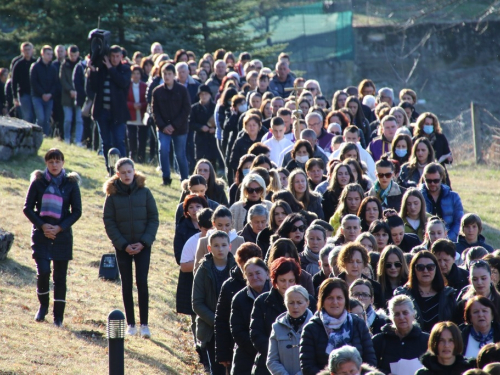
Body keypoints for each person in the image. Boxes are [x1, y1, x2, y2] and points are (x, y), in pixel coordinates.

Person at [23, 148, 82, 326]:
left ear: (63, 162)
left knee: (60, 277)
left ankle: (58, 317)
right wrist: (42, 225)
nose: (54, 165)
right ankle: (43, 307)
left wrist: (59, 227)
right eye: (51, 161)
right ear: (46, 163)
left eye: (57, 161)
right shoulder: (38, 182)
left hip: (62, 237)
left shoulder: (71, 183)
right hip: (41, 234)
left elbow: (77, 211)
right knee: (43, 272)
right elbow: (27, 208)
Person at [103, 157, 159, 337]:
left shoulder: (145, 192)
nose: (127, 175)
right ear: (117, 174)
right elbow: (109, 222)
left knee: (142, 282)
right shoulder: (111, 197)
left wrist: (143, 243)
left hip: (143, 245)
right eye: (123, 172)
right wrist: (123, 245)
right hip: (123, 247)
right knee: (126, 283)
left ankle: (144, 325)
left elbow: (153, 219)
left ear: (134, 172)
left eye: (130, 171)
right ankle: (131, 324)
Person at [300, 278, 376, 374]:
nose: (335, 302)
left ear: (345, 300)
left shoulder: (358, 323)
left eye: (339, 298)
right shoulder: (311, 328)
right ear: (322, 300)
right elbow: (307, 366)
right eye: (330, 298)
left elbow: (370, 360)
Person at [192, 231, 236, 375]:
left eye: (224, 245)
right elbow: (197, 303)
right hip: (212, 330)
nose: (220, 249)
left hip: (234, 328)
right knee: (217, 370)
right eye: (216, 246)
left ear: (229, 247)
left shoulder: (237, 269)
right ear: (209, 248)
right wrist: (217, 321)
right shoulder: (203, 270)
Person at [251, 258, 303, 375]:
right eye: (282, 280)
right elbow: (256, 334)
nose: (287, 285)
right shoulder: (263, 301)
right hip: (267, 365)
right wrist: (277, 352)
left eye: (291, 280)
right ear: (275, 281)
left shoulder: (307, 300)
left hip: (301, 364)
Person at [215, 243, 262, 370]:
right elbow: (221, 319)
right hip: (236, 346)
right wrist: (222, 352)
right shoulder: (229, 286)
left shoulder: (268, 286)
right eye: (244, 267)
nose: (249, 273)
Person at [88, 45, 131, 171]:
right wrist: (93, 71)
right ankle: (112, 168)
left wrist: (111, 68)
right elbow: (94, 88)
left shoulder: (125, 70)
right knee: (106, 142)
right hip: (103, 112)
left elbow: (122, 82)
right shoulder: (102, 70)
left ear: (121, 57)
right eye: (112, 56)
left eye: (117, 56)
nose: (115, 59)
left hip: (118, 114)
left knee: (118, 141)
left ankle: (123, 169)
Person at [394, 250, 456, 333]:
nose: (425, 271)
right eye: (420, 267)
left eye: (430, 267)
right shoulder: (403, 294)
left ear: (436, 269)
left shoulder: (448, 295)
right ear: (414, 270)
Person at [152, 62, 191, 186]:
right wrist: (163, 126)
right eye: (164, 74)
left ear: (174, 75)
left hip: (179, 128)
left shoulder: (182, 90)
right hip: (163, 129)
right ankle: (166, 178)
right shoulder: (157, 92)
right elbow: (155, 111)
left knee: (180, 154)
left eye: (169, 74)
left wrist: (174, 125)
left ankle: (185, 180)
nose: (167, 76)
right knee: (163, 149)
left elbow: (186, 110)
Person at [230, 258, 271, 375]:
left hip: (273, 355)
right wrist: (258, 347)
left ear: (267, 273)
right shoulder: (239, 298)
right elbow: (237, 330)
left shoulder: (277, 295)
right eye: (250, 274)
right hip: (245, 356)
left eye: (258, 273)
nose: (255, 277)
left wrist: (269, 349)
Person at [372, 295, 429, 374]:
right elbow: (370, 368)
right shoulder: (379, 341)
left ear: (413, 314)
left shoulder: (427, 340)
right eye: (397, 314)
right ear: (391, 317)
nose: (401, 317)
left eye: (405, 313)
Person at [267, 285, 313, 375]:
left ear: (307, 303)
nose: (295, 307)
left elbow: (318, 360)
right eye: (291, 303)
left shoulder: (316, 326)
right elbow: (272, 360)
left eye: (299, 303)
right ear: (285, 303)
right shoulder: (277, 327)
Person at [419, 163, 463, 242]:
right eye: (429, 181)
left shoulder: (453, 197)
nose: (432, 184)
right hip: (425, 240)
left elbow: (458, 222)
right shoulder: (418, 197)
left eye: (436, 181)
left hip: (450, 241)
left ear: (441, 178)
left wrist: (446, 239)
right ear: (424, 179)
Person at [194, 206, 245, 274]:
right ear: (213, 223)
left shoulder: (239, 241)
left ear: (232, 223)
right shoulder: (203, 242)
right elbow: (197, 270)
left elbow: (245, 267)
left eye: (227, 225)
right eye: (220, 225)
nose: (223, 229)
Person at [336, 242, 384, 309]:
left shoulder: (375, 287)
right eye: (350, 262)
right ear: (344, 263)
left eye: (358, 262)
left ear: (364, 264)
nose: (355, 266)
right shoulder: (335, 285)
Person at [455, 260, 500, 325]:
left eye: (483, 278)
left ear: (491, 278)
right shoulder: (463, 305)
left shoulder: (498, 301)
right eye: (475, 279)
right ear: (470, 280)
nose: (479, 283)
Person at [30, 45, 58, 136]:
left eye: (51, 54)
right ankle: (37, 135)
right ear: (42, 54)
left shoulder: (53, 68)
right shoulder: (35, 66)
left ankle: (45, 136)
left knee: (46, 119)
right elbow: (34, 82)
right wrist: (42, 94)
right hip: (38, 97)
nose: (50, 56)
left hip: (49, 98)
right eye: (48, 54)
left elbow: (55, 83)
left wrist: (50, 94)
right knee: (40, 118)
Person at [60, 45, 85, 146]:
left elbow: (84, 80)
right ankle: (67, 138)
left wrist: (77, 91)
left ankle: (78, 140)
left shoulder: (83, 65)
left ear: (78, 54)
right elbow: (62, 79)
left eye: (75, 55)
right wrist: (70, 90)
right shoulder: (64, 65)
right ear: (68, 54)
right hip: (67, 96)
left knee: (79, 120)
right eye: (71, 55)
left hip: (80, 96)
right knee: (68, 119)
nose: (73, 57)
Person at [190, 85, 218, 167]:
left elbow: (220, 122)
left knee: (212, 164)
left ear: (210, 95)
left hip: (212, 139)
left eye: (206, 94)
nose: (204, 96)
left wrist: (215, 129)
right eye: (202, 94)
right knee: (200, 162)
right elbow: (190, 123)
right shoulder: (194, 108)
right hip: (200, 139)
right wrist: (200, 127)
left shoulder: (215, 107)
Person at [126, 65, 148, 162]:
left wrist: (141, 105)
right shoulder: (127, 85)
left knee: (142, 137)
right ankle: (132, 154)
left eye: (138, 73)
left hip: (142, 115)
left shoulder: (145, 86)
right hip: (131, 115)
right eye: (134, 73)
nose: (136, 75)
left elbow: (147, 100)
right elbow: (124, 100)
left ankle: (141, 156)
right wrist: (132, 105)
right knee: (131, 137)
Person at [12, 42, 36, 123]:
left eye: (29, 49)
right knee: (27, 116)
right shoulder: (18, 64)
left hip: (36, 93)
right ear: (22, 51)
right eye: (25, 50)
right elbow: (14, 81)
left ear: (32, 50)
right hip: (23, 93)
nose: (27, 51)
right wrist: (15, 96)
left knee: (36, 115)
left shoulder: (36, 62)